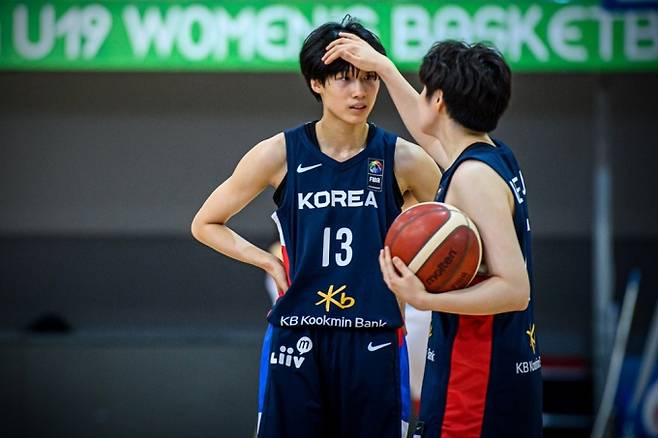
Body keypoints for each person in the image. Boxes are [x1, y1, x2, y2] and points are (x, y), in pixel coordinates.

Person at [191, 17, 441, 438]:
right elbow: (206, 223)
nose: (360, 91)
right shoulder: (278, 153)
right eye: (344, 79)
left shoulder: (404, 159)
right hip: (298, 333)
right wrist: (266, 263)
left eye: (369, 78)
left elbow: (452, 227)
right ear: (316, 83)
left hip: (375, 335)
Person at [323, 37, 543, 436]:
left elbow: (515, 289)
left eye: (425, 91)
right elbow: (431, 137)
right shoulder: (490, 155)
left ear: (439, 100)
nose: (420, 97)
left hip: (478, 374)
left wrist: (424, 299)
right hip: (496, 364)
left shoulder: (473, 177)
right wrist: (386, 70)